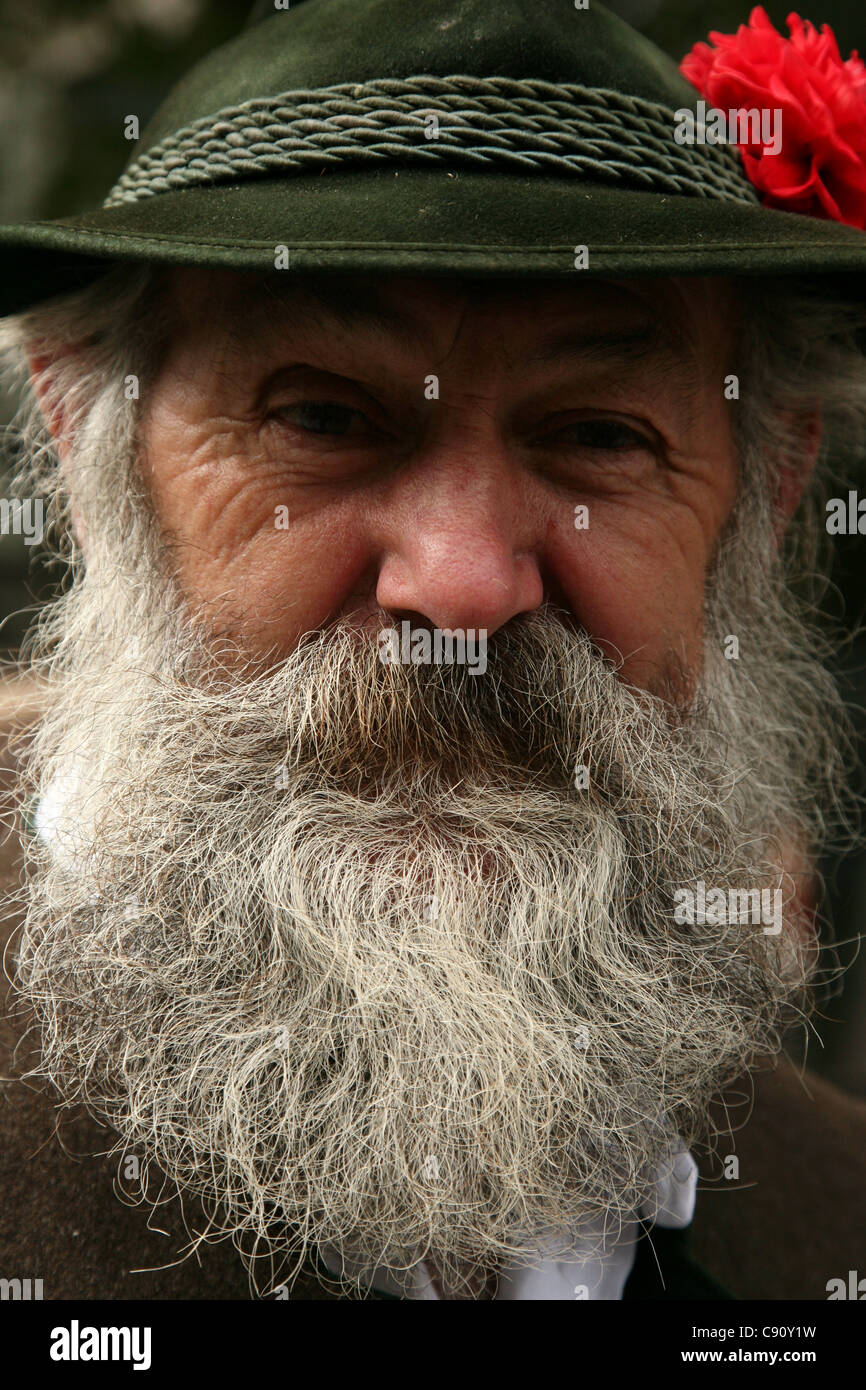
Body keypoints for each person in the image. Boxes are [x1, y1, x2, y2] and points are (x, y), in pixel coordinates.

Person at [0, 0, 865, 1301]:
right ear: (84, 446)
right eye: (319, 414)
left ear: (767, 493)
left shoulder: (832, 1211)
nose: (461, 584)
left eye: (598, 436)